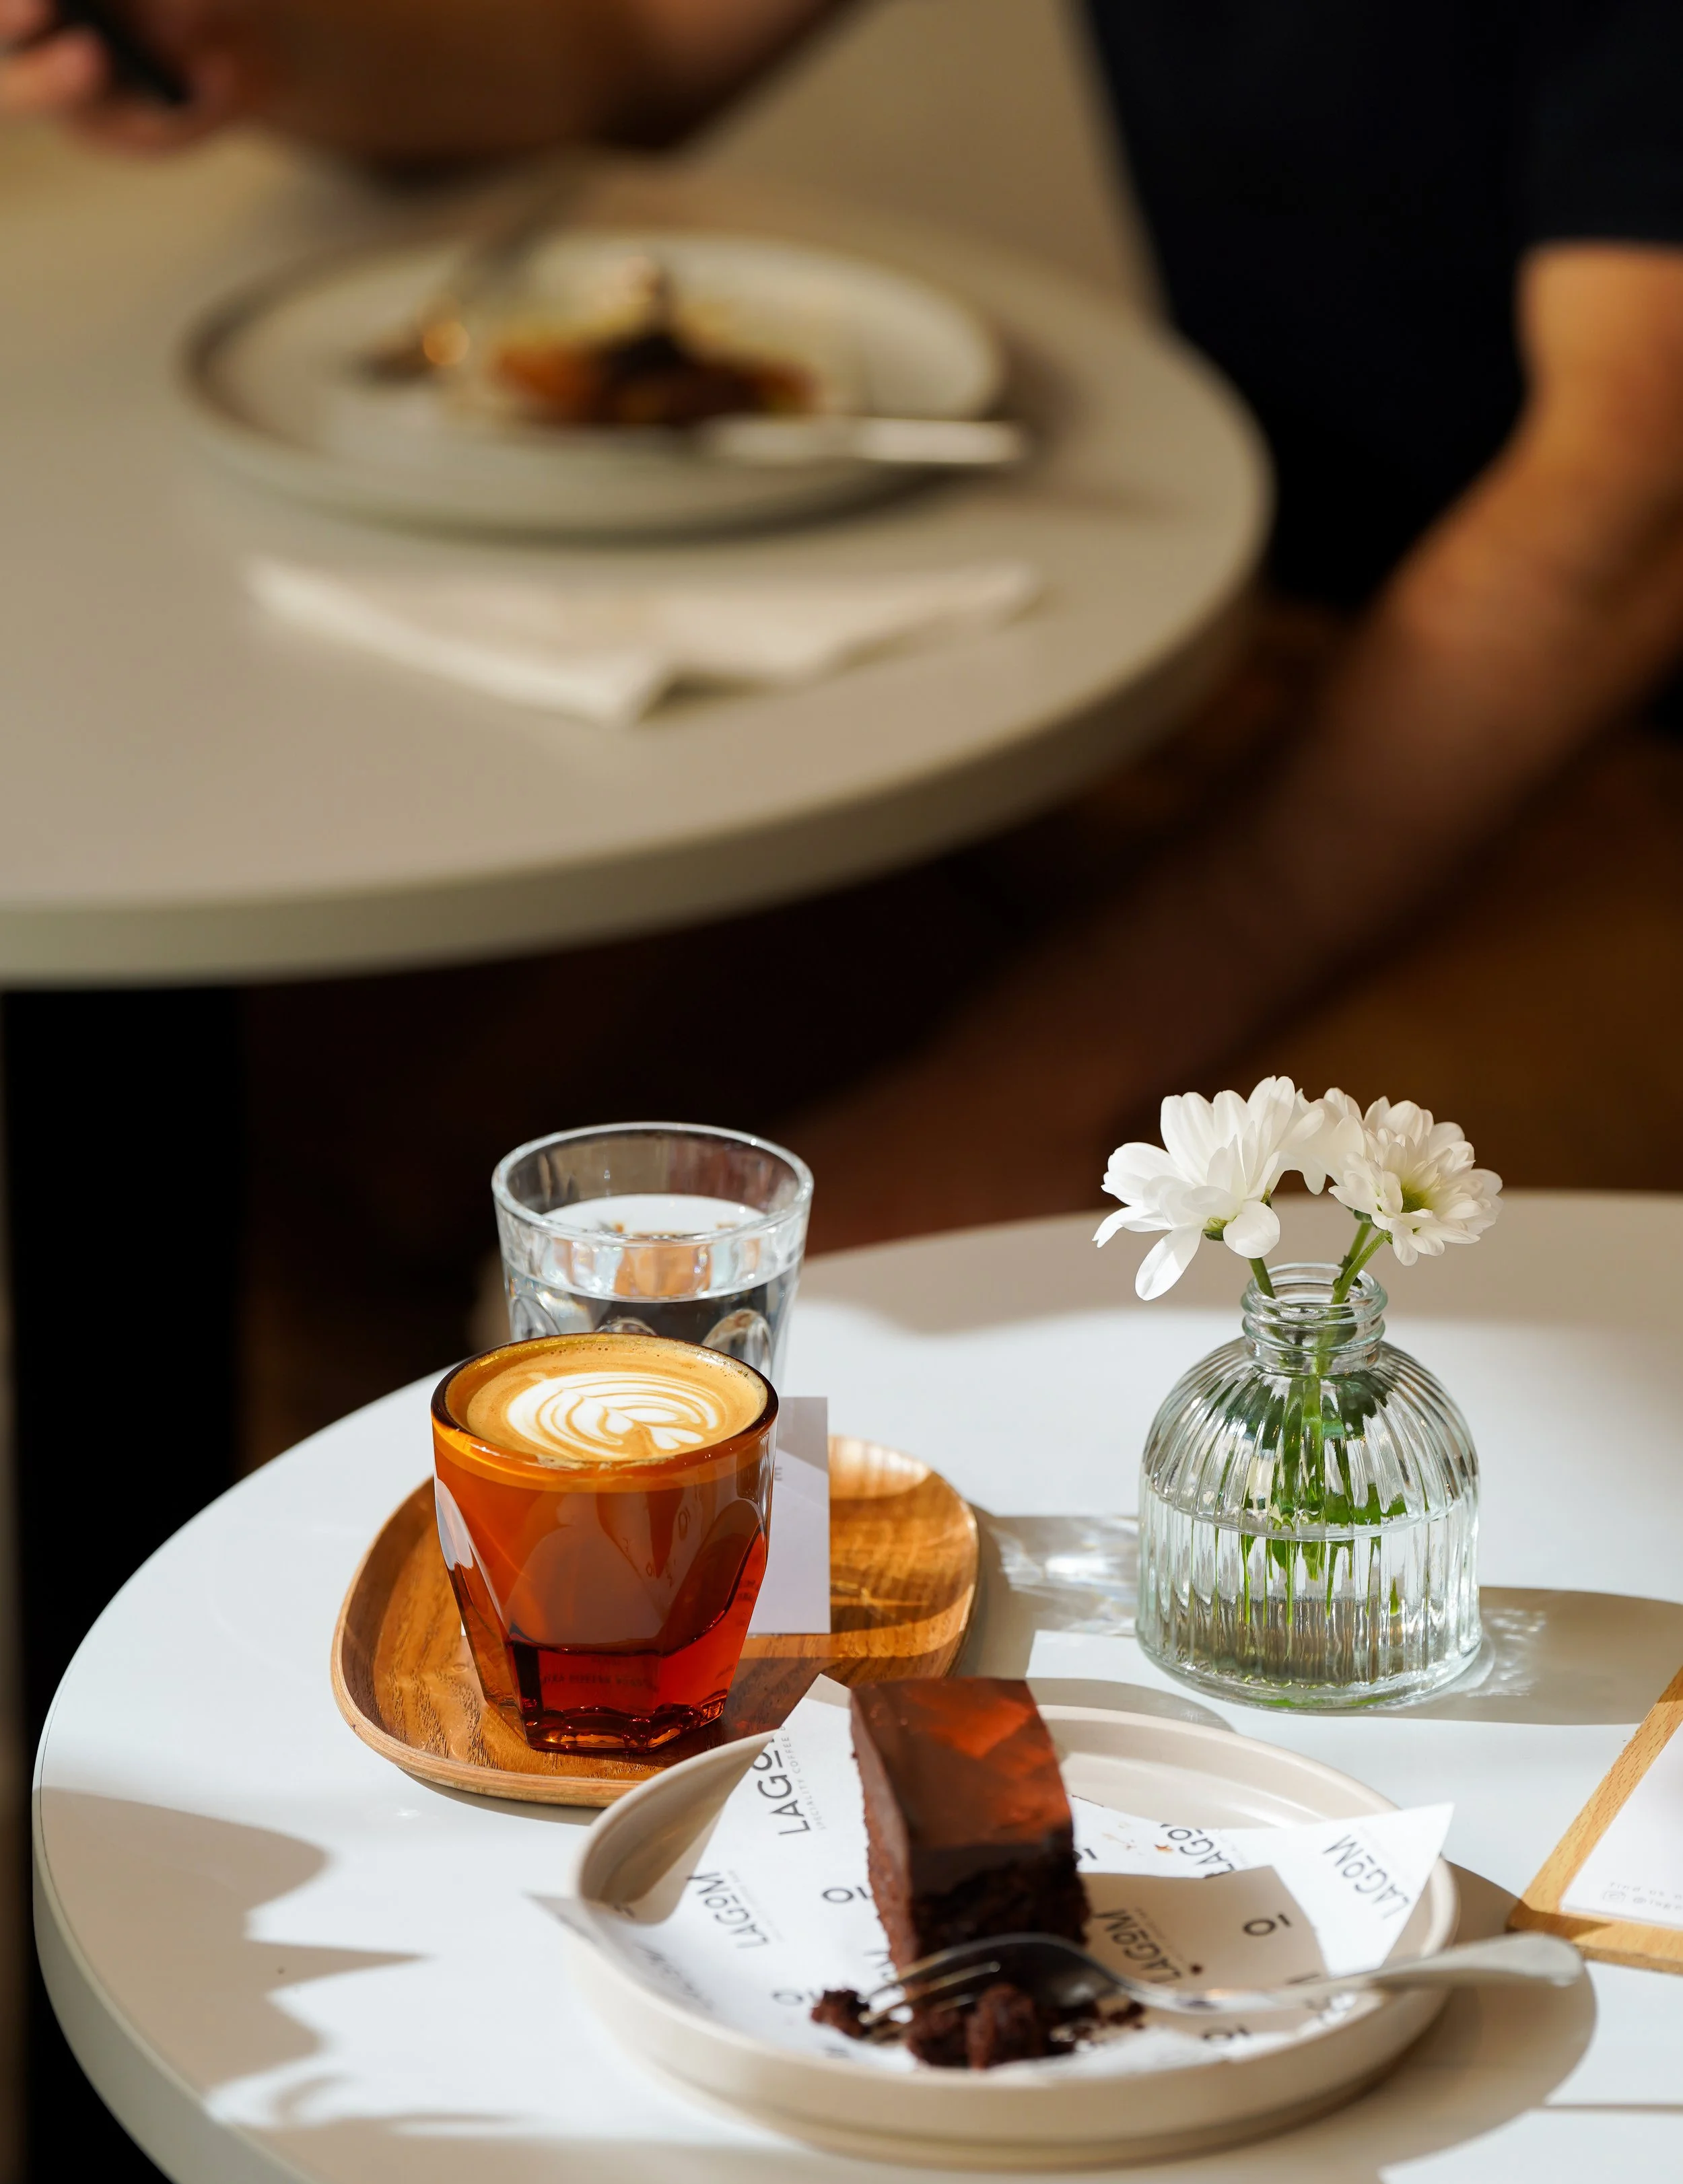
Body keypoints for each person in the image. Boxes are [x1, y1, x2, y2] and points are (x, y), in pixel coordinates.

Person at [8, 0, 1683, 1253]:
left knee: (985, 1321)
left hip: (1599, 765)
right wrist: (247, 37)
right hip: (1244, 669)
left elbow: (1620, 517)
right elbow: (620, 39)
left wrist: (1031, 1087)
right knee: (329, 1120)